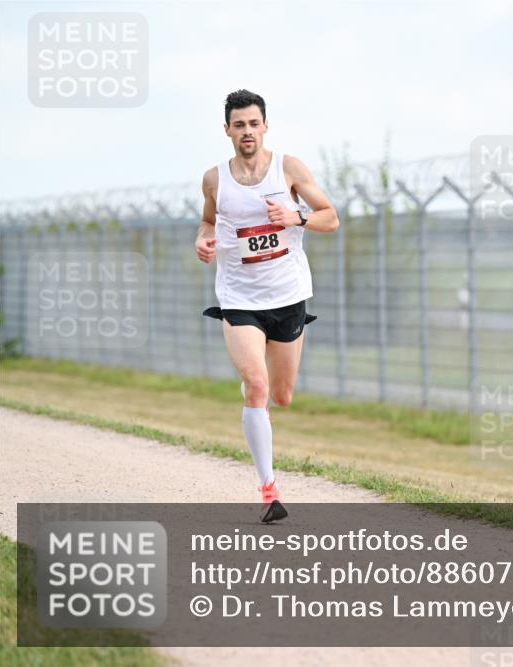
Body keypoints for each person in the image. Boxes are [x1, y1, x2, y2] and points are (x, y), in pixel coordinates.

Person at [195, 89, 339, 523]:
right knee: (257, 384)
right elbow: (207, 220)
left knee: (282, 395)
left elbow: (330, 217)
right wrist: (203, 241)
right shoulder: (214, 179)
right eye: (239, 125)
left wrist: (296, 218)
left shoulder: (288, 168)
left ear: (265, 126)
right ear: (227, 131)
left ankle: (256, 391)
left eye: (253, 123)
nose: (247, 132)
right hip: (239, 298)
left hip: (288, 295)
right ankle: (269, 490)